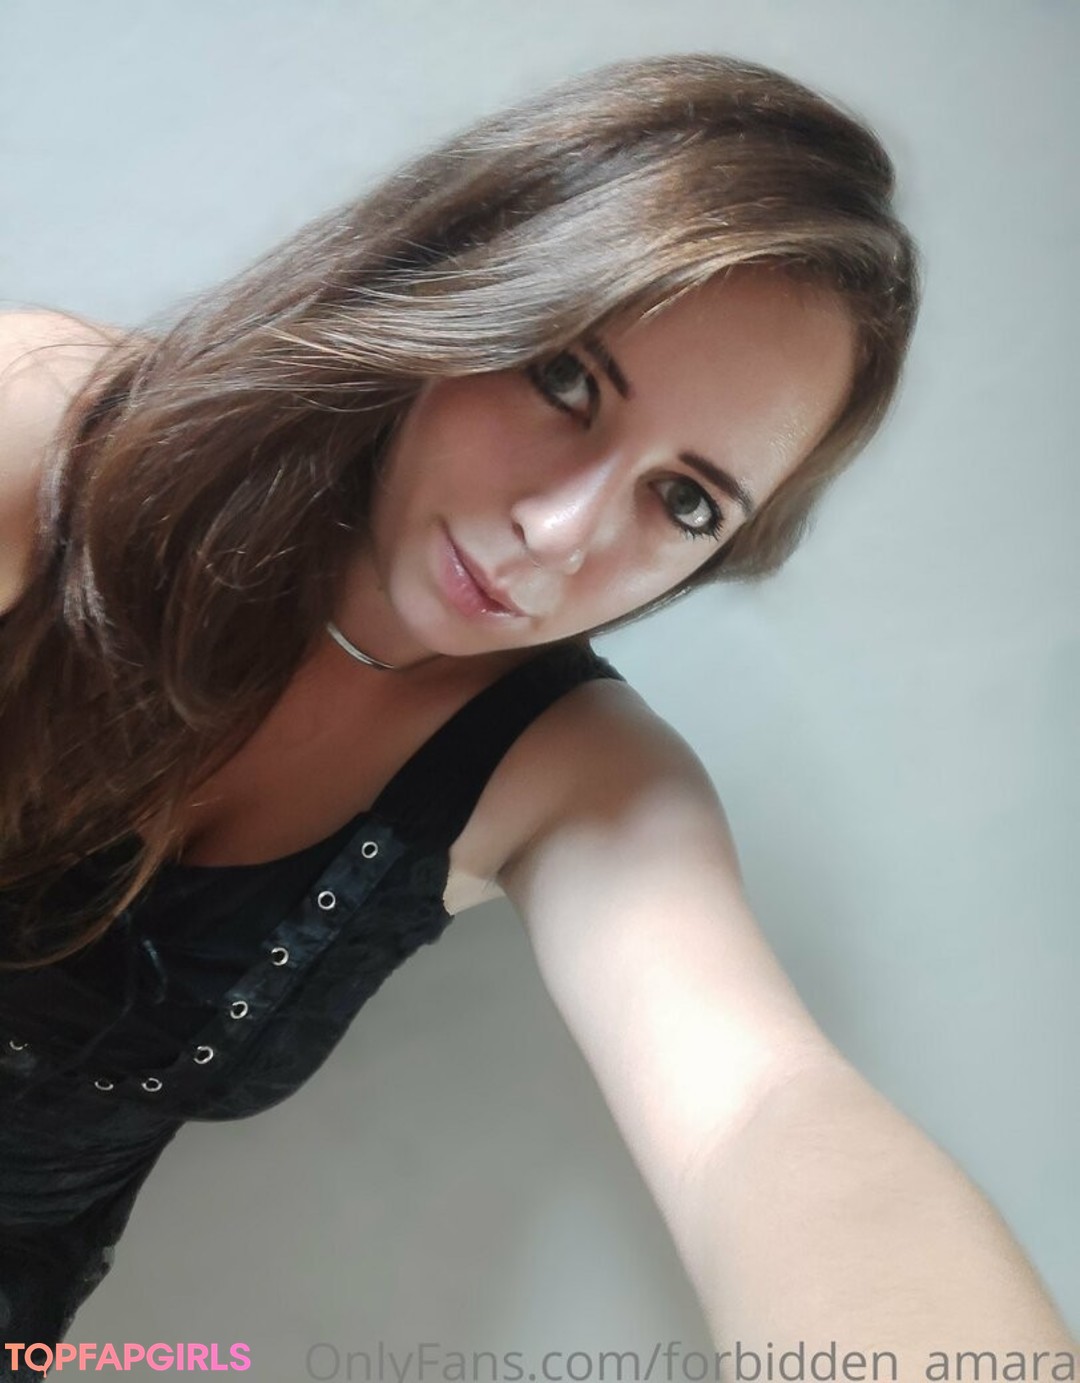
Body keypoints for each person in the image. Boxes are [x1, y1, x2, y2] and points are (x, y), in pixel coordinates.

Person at [0, 51, 1073, 1375]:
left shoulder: (574, 776)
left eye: (685, 501)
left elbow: (763, 1112)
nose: (560, 534)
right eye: (566, 380)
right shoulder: (55, 440)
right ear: (457, 284)